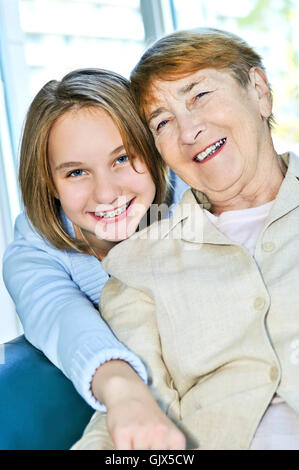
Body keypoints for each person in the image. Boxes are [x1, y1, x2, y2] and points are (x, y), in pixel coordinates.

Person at [71, 28, 299, 450]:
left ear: (259, 91)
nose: (189, 129)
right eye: (163, 121)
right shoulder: (139, 264)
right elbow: (132, 418)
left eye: (199, 95)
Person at [2, 68, 188, 450]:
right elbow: (62, 317)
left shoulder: (190, 198)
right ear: (50, 184)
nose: (106, 193)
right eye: (76, 172)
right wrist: (124, 393)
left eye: (122, 159)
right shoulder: (32, 252)